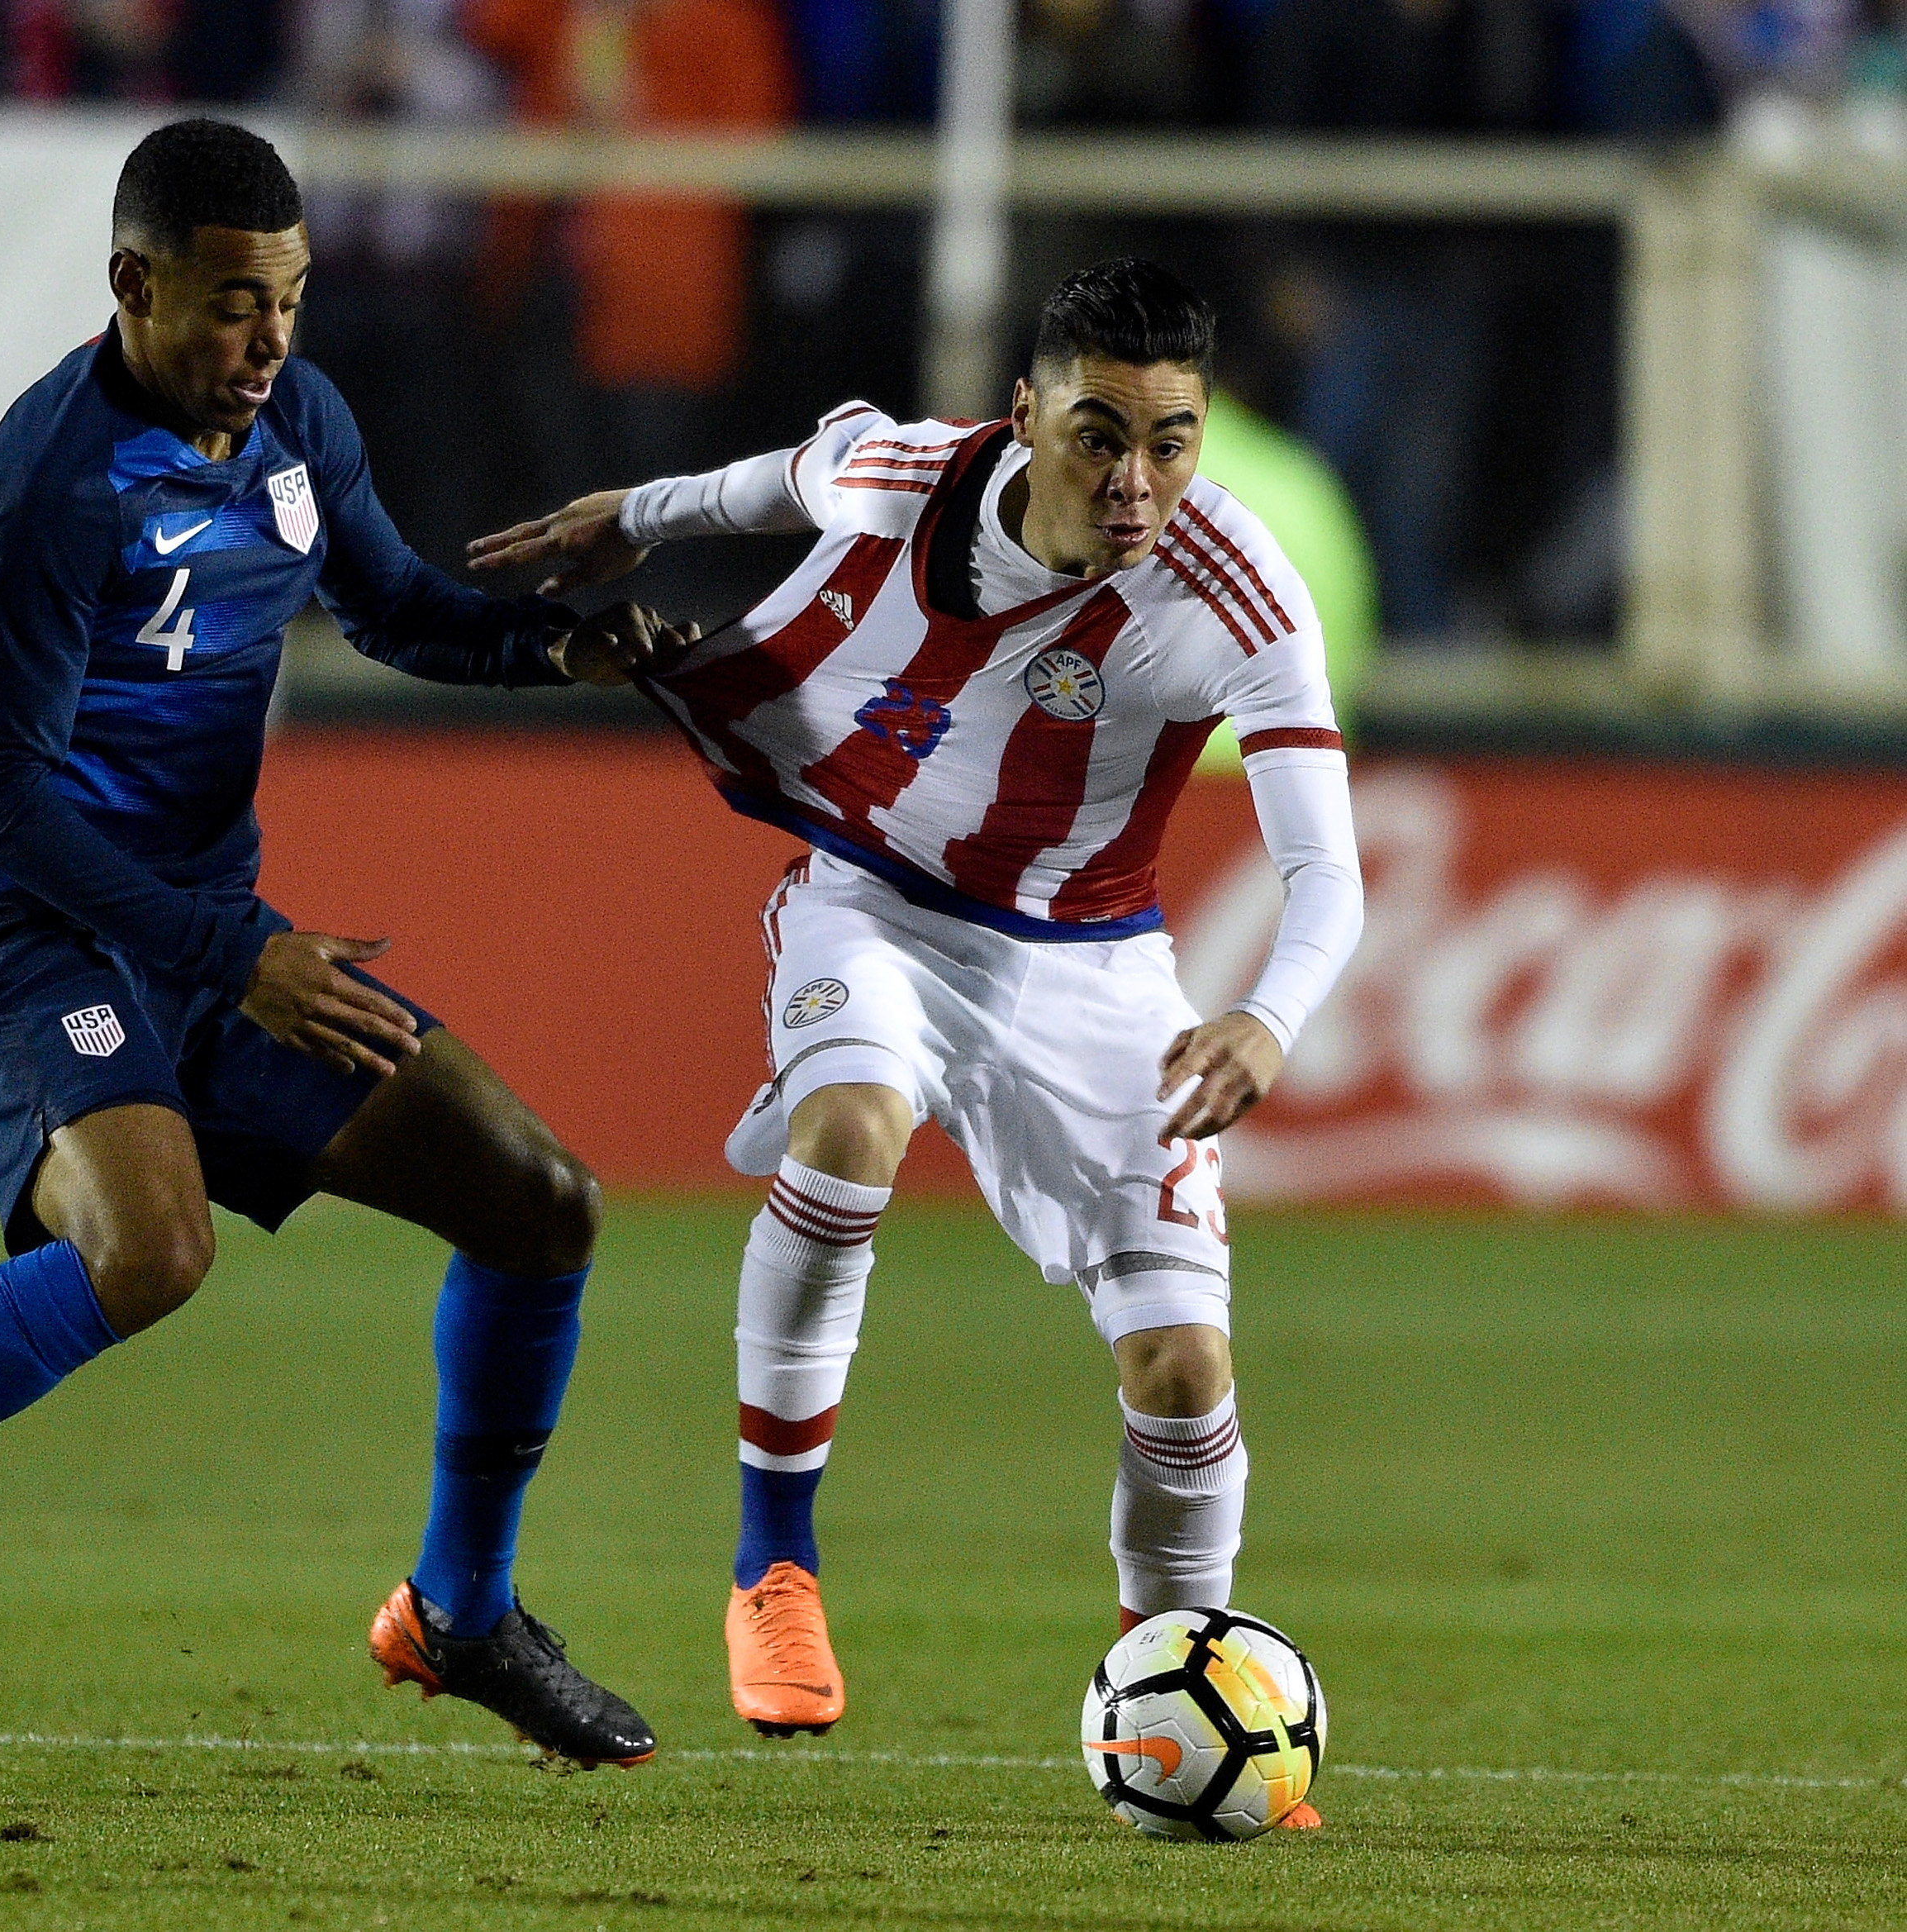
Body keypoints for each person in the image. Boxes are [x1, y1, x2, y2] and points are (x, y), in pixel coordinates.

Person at [0, 117, 684, 1771]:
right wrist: (233, 958)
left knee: (541, 1202)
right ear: (132, 285)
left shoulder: (299, 420)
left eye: (288, 299)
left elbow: (392, 607)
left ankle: (461, 1609)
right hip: (19, 927)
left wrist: (560, 648)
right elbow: (0, 795)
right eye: (231, 304)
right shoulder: (47, 482)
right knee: (152, 1249)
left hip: (205, 940)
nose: (268, 339)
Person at [468, 259, 1362, 1825]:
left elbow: (1328, 872)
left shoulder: (1237, 584)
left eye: (1171, 443)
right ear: (1024, 416)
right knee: (850, 1130)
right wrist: (637, 517)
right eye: (1099, 437)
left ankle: (1179, 1677)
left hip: (1096, 967)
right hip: (872, 902)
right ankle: (774, 1565)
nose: (1136, 482)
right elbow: (777, 477)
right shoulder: (910, 478)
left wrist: (1265, 1018)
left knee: (1182, 1369)